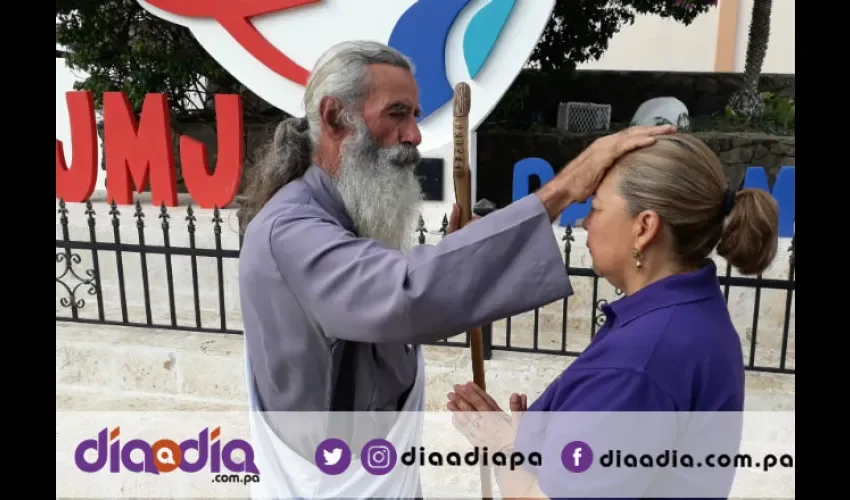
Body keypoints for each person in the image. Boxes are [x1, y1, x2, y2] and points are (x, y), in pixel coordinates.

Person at [237, 39, 676, 499]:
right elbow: (405, 296)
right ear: (334, 118)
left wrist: (459, 252)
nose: (414, 135)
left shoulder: (337, 214)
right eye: (396, 114)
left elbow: (381, 305)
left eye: (414, 116)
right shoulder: (292, 230)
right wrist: (561, 190)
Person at [446, 133, 780, 500]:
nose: (584, 222)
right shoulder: (690, 314)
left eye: (596, 207)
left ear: (644, 227)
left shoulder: (640, 362)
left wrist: (502, 446)